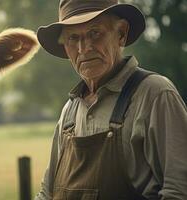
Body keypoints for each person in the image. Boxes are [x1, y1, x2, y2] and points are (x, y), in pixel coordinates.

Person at [35, 0, 187, 199]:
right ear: (65, 48)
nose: (84, 48)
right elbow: (47, 193)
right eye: (73, 38)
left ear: (121, 34)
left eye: (95, 33)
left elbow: (179, 191)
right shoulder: (69, 112)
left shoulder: (155, 94)